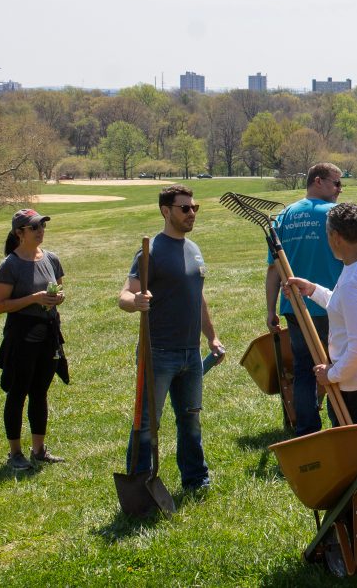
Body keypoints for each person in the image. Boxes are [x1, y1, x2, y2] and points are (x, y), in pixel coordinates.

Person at [118, 184, 223, 492]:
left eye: (195, 208)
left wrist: (212, 338)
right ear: (166, 211)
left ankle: (196, 479)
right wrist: (135, 302)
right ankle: (139, 484)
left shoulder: (194, 249)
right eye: (185, 208)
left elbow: (198, 297)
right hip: (158, 352)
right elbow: (124, 294)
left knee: (190, 419)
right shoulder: (151, 252)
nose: (192, 213)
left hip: (190, 353)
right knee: (147, 423)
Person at [281, 202, 357, 425]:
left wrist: (331, 374)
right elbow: (351, 309)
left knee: (353, 454)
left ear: (336, 237)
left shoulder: (353, 280)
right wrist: (312, 290)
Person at [265, 162, 344, 436]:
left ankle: (307, 430)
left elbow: (273, 269)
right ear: (318, 181)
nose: (339, 190)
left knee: (303, 369)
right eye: (336, 183)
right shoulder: (336, 215)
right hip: (331, 303)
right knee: (337, 365)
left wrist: (270, 310)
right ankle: (340, 426)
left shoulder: (284, 216)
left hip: (294, 306)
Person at [0, 209, 68, 471]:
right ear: (19, 233)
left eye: (42, 226)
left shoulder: (51, 258)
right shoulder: (10, 265)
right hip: (21, 335)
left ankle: (39, 450)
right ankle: (15, 453)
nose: (40, 231)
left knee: (40, 391)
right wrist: (34, 298)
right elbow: (0, 305)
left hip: (48, 333)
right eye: (34, 227)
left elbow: (59, 288)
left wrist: (58, 298)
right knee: (18, 392)